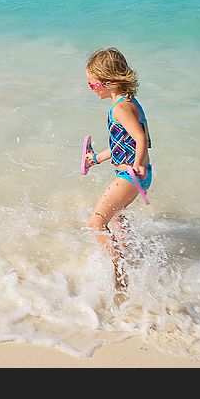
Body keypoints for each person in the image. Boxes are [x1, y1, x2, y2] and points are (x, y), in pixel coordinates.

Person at [82, 47, 152, 290]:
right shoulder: (129, 103)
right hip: (136, 176)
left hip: (130, 176)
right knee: (119, 220)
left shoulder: (120, 109)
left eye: (93, 85)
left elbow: (141, 139)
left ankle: (120, 270)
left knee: (96, 224)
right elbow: (122, 144)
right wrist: (96, 158)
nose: (91, 89)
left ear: (108, 81)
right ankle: (133, 258)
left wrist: (138, 164)